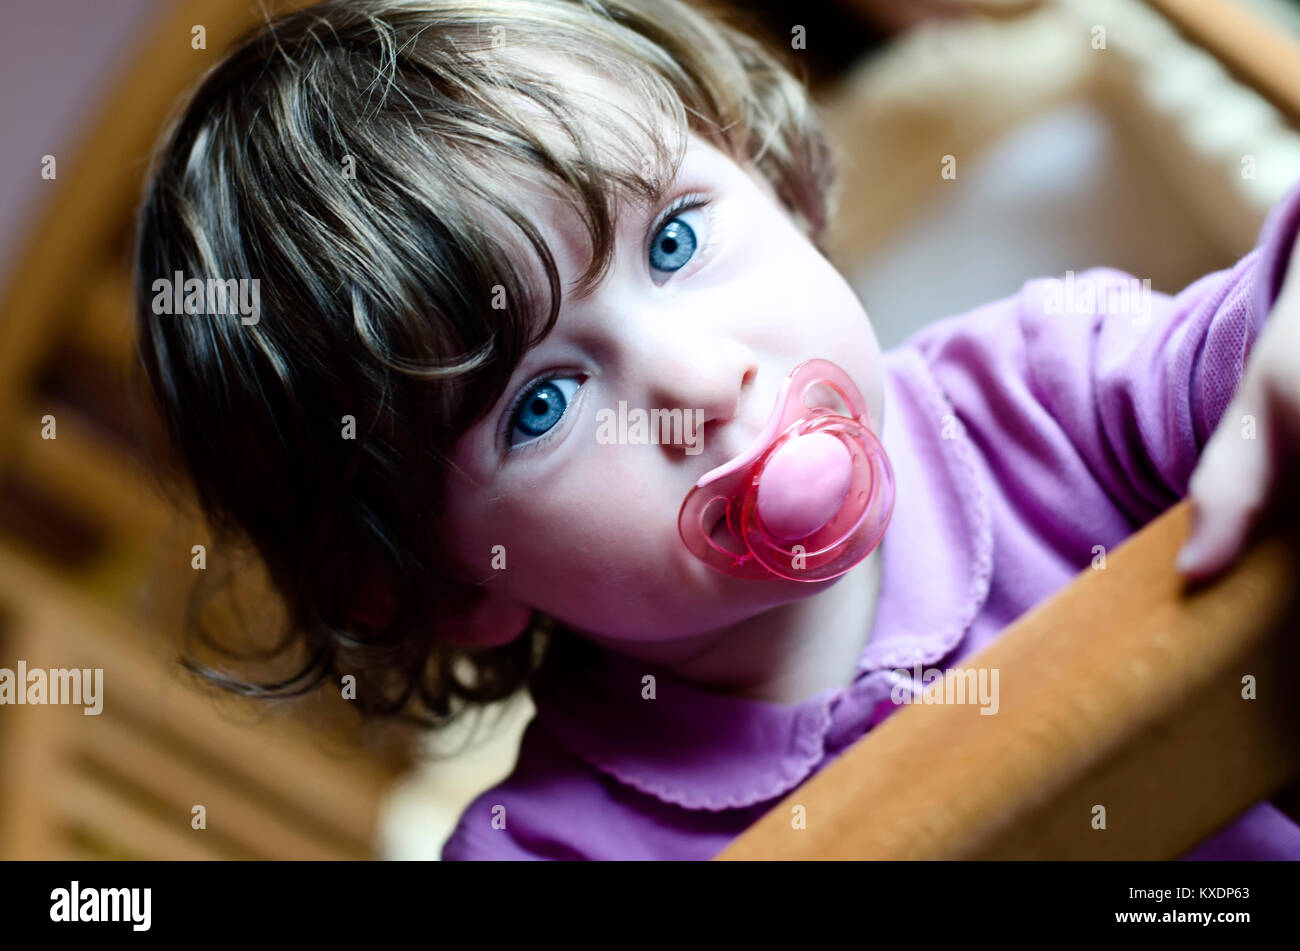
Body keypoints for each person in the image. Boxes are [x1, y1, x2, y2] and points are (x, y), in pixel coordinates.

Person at [132, 0, 1300, 860]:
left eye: (677, 242)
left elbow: (1257, 339)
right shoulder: (549, 852)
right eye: (543, 404)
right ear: (450, 589)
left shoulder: (1061, 396)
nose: (700, 381)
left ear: (778, 190)